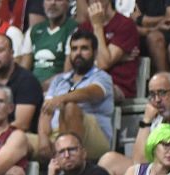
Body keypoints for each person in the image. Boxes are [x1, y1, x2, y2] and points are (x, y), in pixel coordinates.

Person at [36, 30, 114, 162]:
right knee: (20, 139)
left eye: (84, 48)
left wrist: (62, 98)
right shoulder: (59, 80)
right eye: (74, 49)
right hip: (56, 133)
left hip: (94, 136)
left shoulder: (102, 77)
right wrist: (43, 138)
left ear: (95, 53)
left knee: (70, 107)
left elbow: (91, 92)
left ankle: (72, 160)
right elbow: (46, 111)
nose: (78, 53)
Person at [18, 0, 78, 84]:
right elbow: (24, 69)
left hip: (58, 88)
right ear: (43, 3)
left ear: (68, 4)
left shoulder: (73, 29)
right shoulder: (34, 30)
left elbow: (67, 74)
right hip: (31, 88)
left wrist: (39, 88)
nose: (53, 3)